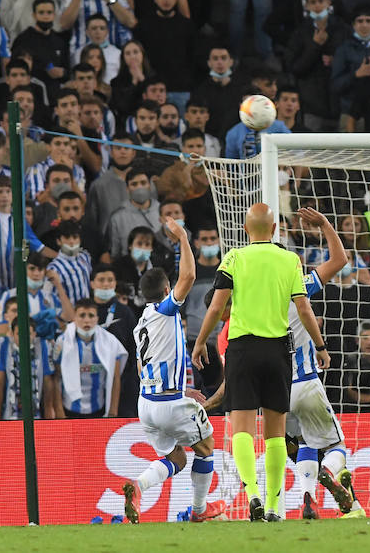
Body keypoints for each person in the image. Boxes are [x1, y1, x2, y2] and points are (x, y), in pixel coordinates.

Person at [192, 205, 329, 522]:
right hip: (278, 350)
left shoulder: (234, 259)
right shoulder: (289, 260)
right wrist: (320, 345)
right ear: (274, 229)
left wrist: (200, 341)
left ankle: (251, 492)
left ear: (244, 228)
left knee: (240, 427)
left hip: (242, 348)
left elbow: (216, 307)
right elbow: (305, 309)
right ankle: (271, 505)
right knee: (275, 433)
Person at [123, 218, 227, 524]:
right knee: (206, 448)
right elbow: (190, 275)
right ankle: (199, 510)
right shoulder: (165, 311)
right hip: (168, 404)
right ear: (167, 290)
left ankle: (138, 485)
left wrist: (182, 392)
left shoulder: (141, 322)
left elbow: (147, 368)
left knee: (177, 458)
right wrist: (183, 236)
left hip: (148, 404)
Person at [56, 299, 125, 418]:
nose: (87, 320)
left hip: (99, 410)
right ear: (74, 318)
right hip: (69, 410)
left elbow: (115, 378)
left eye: (91, 315)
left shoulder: (111, 342)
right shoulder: (62, 342)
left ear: (97, 319)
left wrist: (113, 411)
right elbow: (56, 377)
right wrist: (59, 411)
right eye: (82, 315)